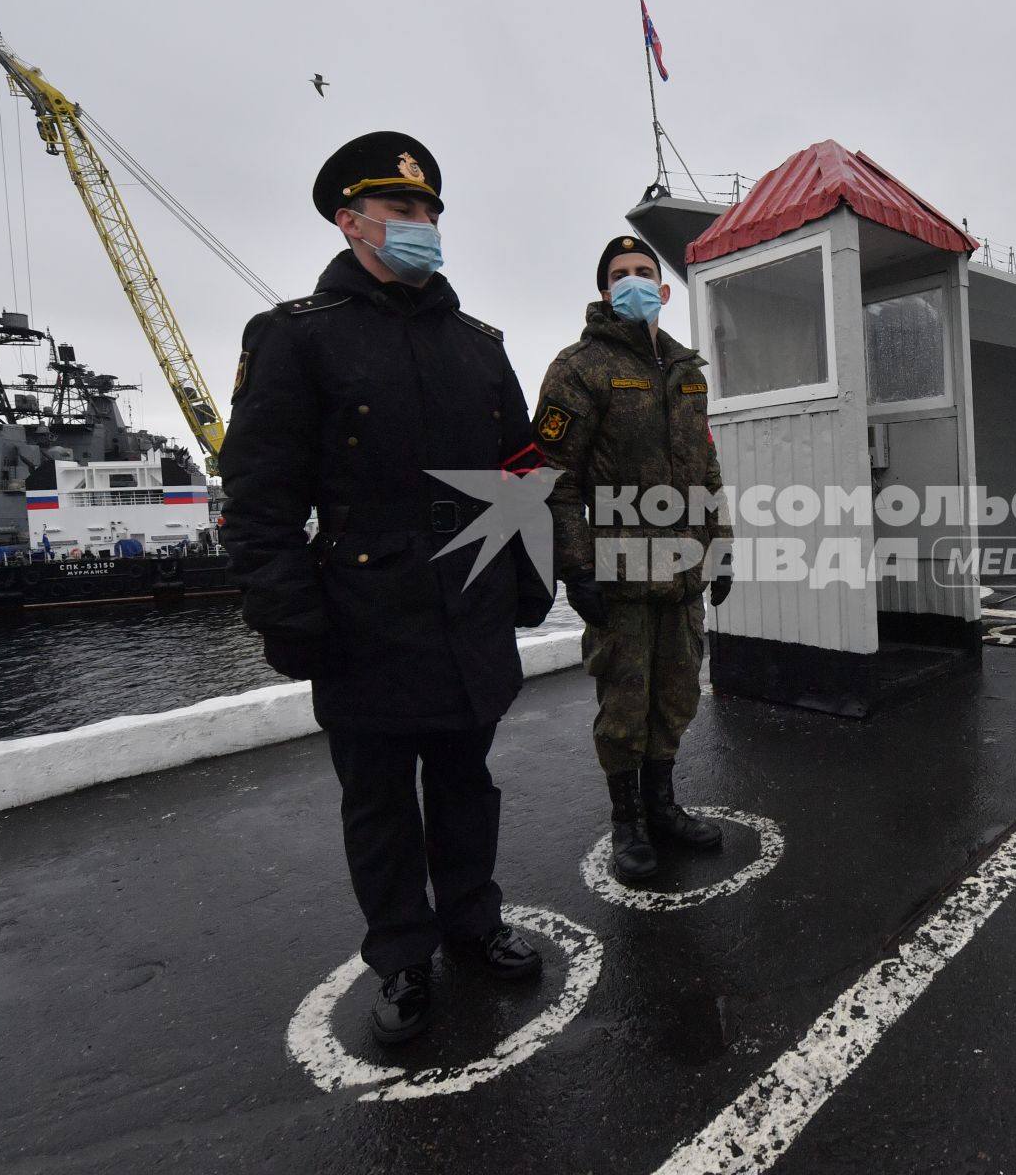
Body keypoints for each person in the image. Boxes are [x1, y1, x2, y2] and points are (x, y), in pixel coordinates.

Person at [222, 132, 552, 1045]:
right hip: (361, 614)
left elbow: (521, 477)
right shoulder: (295, 338)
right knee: (377, 802)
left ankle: (473, 924)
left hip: (470, 603)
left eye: (431, 212)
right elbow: (260, 498)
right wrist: (286, 617)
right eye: (404, 211)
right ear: (352, 220)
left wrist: (529, 582)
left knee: (465, 784)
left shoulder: (478, 347)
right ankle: (402, 956)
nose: (423, 227)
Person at [535, 235, 732, 884]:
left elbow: (707, 466)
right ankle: (627, 826)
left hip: (683, 573)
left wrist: (721, 546)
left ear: (665, 290)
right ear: (603, 293)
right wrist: (577, 567)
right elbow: (551, 478)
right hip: (618, 575)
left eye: (644, 273)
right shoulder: (579, 369)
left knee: (675, 695)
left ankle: (663, 806)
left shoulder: (687, 371)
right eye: (619, 275)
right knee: (624, 705)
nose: (633, 283)